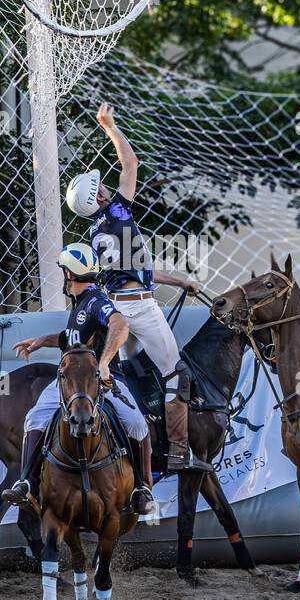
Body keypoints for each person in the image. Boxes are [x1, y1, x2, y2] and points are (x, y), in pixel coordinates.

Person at [62, 102, 203, 471]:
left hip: (120, 311)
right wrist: (109, 127)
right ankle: (178, 450)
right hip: (140, 308)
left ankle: (144, 440)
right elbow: (131, 164)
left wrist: (180, 281)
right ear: (100, 197)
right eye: (102, 187)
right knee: (176, 373)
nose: (107, 185)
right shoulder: (119, 213)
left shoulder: (94, 235)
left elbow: (135, 271)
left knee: (137, 377)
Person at [2, 243, 156, 516]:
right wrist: (40, 341)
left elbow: (121, 325)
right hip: (72, 381)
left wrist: (105, 363)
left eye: (63, 272)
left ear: (69, 275)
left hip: (102, 380)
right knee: (35, 418)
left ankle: (143, 488)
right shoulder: (80, 305)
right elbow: (69, 338)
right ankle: (27, 482)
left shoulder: (97, 301)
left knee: (136, 423)